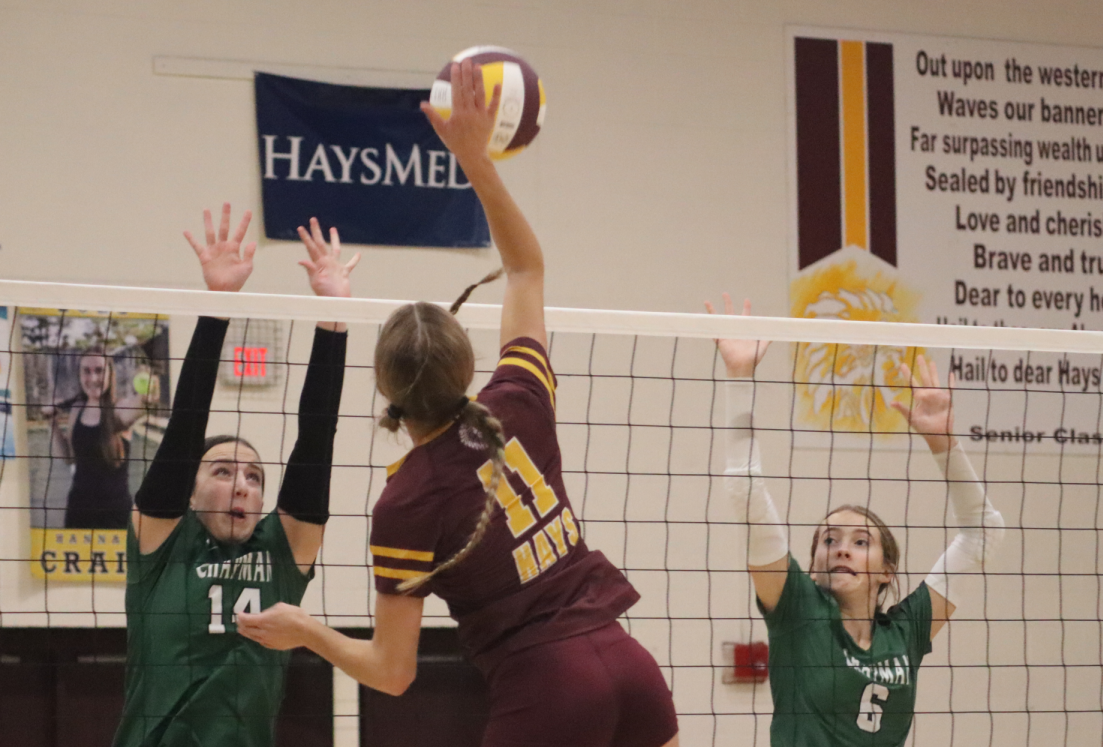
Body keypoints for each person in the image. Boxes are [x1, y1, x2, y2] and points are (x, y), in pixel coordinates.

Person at [237, 60, 681, 747]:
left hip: (549, 691)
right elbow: (528, 267)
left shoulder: (406, 500)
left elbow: (391, 672)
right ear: (468, 366)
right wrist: (474, 160)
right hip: (631, 666)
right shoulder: (518, 400)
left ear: (387, 393)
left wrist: (303, 629)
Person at [705, 294, 1005, 747]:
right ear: (813, 564)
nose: (841, 547)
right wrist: (739, 378)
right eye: (829, 539)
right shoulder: (798, 610)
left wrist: (944, 443)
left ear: (887, 571)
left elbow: (983, 533)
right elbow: (744, 490)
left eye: (861, 541)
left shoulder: (907, 631)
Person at [111, 204, 359, 747]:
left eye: (253, 475)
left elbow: (317, 436)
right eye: (222, 470)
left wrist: (333, 318)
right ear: (191, 490)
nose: (243, 483)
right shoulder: (163, 542)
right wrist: (218, 304)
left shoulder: (282, 548)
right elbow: (185, 424)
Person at [45, 344, 158, 528]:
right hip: (79, 510)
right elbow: (68, 458)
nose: (93, 378)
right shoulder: (77, 409)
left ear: (109, 374)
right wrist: (53, 423)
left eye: (99, 371)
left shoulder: (119, 410)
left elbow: (143, 404)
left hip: (114, 514)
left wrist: (147, 391)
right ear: (80, 375)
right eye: (86, 371)